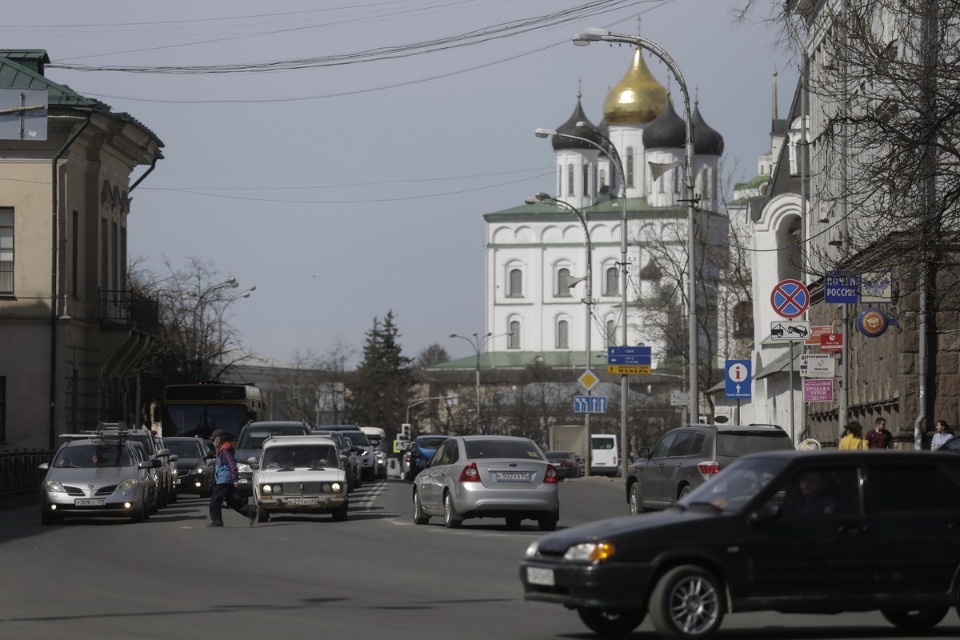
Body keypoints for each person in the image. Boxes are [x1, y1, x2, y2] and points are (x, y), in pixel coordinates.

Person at [208, 429, 257, 528]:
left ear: (219, 439)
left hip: (225, 479)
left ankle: (217, 521)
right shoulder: (221, 449)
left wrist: (235, 479)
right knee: (232, 502)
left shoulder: (224, 450)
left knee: (215, 500)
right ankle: (251, 513)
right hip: (224, 479)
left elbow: (232, 464)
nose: (213, 442)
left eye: (214, 440)